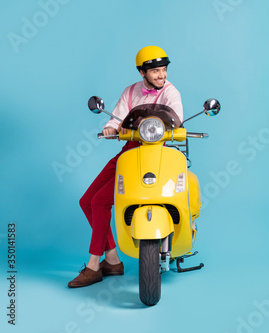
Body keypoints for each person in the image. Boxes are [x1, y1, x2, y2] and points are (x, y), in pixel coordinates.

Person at [68, 46, 183, 288]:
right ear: (142, 72)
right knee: (87, 201)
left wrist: (174, 129)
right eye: (155, 72)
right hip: (128, 152)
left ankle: (93, 265)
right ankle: (112, 260)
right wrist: (111, 126)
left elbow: (176, 121)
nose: (161, 75)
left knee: (100, 202)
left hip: (154, 154)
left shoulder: (171, 93)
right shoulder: (130, 92)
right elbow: (118, 117)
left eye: (163, 70)